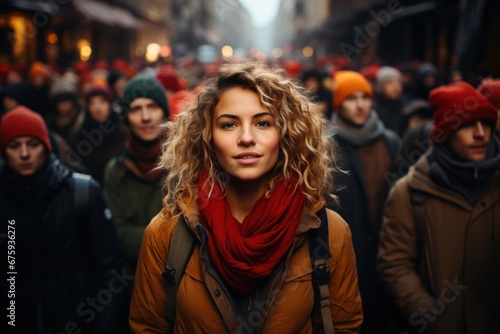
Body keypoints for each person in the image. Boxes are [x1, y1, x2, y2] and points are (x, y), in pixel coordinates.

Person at [129, 61, 363, 333]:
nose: (247, 138)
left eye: (263, 122)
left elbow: (343, 326)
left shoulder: (329, 233)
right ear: (207, 137)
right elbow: (148, 327)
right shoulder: (166, 233)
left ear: (285, 134)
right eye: (229, 125)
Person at [377, 82, 500, 334]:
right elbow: (395, 264)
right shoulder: (409, 192)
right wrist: (431, 314)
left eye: (486, 123)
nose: (480, 134)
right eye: (467, 125)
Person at [0, 106, 126, 333]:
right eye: (14, 145)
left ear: (46, 147)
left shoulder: (82, 193)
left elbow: (108, 269)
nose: (25, 153)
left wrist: (104, 327)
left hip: (75, 319)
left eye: (33, 144)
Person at [330, 70, 400, 333]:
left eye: (365, 97)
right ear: (339, 103)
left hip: (387, 252)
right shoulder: (326, 147)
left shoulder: (390, 142)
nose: (360, 105)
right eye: (351, 98)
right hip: (347, 257)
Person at [103, 74, 170, 325]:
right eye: (136, 109)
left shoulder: (185, 164)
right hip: (132, 289)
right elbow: (117, 234)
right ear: (126, 117)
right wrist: (168, 239)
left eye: (152, 107)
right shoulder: (116, 170)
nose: (145, 117)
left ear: (163, 112)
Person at [78, 85, 128, 184]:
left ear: (110, 104)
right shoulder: (81, 130)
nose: (97, 107)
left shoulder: (122, 131)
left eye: (102, 102)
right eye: (92, 103)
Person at [373, 66, 405, 135]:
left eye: (398, 83)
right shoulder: (373, 111)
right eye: (389, 82)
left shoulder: (406, 109)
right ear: (380, 87)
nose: (395, 86)